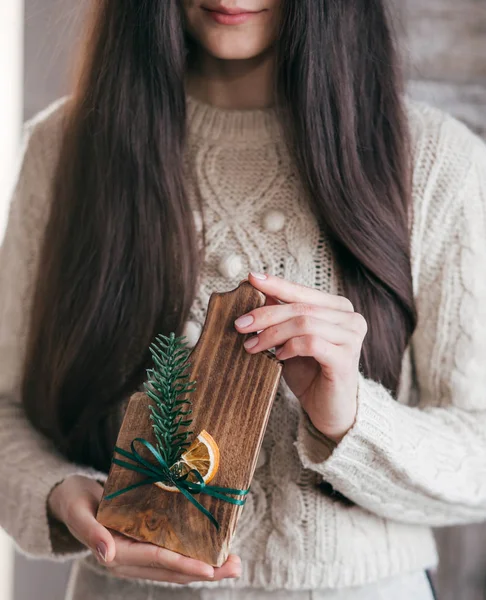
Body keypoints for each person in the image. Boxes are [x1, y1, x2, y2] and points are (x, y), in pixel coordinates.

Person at [1, 1, 486, 598]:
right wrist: (60, 492)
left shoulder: (437, 163)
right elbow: (4, 408)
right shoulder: (65, 149)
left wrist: (350, 419)